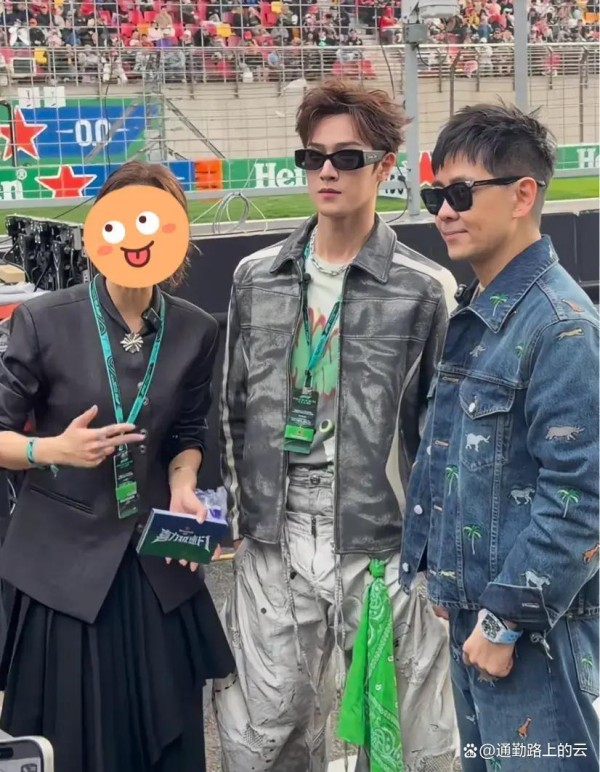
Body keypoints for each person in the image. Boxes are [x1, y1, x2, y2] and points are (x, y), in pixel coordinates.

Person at [214, 79, 459, 771]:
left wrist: (435, 554)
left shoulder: (424, 288)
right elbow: (232, 406)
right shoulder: (255, 276)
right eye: (312, 156)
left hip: (383, 535)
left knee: (406, 736)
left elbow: (441, 435)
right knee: (262, 734)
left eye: (348, 157)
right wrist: (238, 513)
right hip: (276, 527)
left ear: (385, 168)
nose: (327, 170)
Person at [0, 161, 234, 772]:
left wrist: (184, 484)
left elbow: (188, 433)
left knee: (169, 742)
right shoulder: (43, 320)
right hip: (64, 574)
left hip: (155, 563)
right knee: (75, 745)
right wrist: (52, 450)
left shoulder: (195, 329)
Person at [399, 104, 599, 771]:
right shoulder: (483, 313)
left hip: (535, 636)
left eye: (461, 193)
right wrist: (446, 583)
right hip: (480, 623)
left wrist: (504, 620)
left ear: (522, 194)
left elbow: (582, 498)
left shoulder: (561, 325)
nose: (443, 212)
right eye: (435, 195)